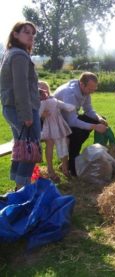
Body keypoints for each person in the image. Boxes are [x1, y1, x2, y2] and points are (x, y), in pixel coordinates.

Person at [0, 21, 41, 190]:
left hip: (11, 108)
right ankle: (22, 189)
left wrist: (37, 91)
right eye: (26, 32)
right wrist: (26, 115)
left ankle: (17, 187)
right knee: (30, 149)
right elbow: (20, 87)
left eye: (32, 33)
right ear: (15, 34)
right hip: (22, 110)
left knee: (21, 146)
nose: (31, 35)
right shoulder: (19, 56)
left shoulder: (12, 53)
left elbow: (19, 83)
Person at [53, 72, 107, 176]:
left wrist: (99, 118)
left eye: (94, 89)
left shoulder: (85, 92)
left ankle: (72, 160)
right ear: (82, 84)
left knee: (96, 121)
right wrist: (95, 127)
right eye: (90, 89)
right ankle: (72, 165)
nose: (92, 92)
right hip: (57, 123)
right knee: (77, 134)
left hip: (68, 119)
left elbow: (88, 110)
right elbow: (71, 121)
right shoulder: (70, 93)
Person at [38, 81, 75, 181]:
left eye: (46, 89)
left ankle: (64, 166)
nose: (44, 91)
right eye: (41, 89)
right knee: (50, 142)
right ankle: (50, 170)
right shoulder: (36, 103)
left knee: (65, 140)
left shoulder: (52, 101)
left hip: (54, 126)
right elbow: (34, 116)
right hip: (41, 129)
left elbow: (62, 106)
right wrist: (41, 116)